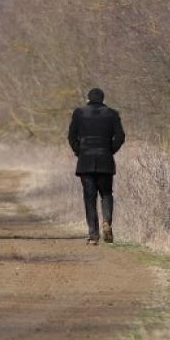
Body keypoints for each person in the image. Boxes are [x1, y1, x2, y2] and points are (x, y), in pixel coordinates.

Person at [67, 88, 125, 245]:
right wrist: (109, 150)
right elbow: (120, 136)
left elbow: (71, 136)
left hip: (85, 161)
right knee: (106, 194)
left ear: (88, 99)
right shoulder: (112, 114)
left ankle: (93, 235)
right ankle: (107, 222)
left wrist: (79, 151)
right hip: (105, 160)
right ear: (103, 99)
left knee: (89, 198)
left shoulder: (79, 113)